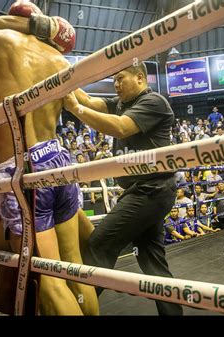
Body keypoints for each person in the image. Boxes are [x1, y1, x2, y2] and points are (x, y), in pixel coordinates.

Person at [0, 1, 97, 315]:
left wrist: (40, 26)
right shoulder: (57, 60)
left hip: (23, 168)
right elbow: (91, 104)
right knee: (73, 265)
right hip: (57, 158)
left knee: (47, 278)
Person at [64, 61, 183, 315]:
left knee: (100, 244)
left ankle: (78, 310)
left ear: (140, 78)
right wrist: (63, 75)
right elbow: (88, 100)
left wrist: (75, 109)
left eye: (120, 79)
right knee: (152, 261)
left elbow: (120, 128)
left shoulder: (154, 102)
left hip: (152, 189)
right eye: (114, 80)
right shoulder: (121, 103)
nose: (116, 85)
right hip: (144, 190)